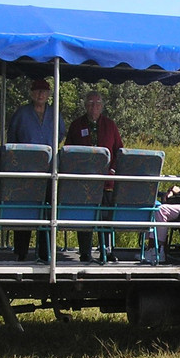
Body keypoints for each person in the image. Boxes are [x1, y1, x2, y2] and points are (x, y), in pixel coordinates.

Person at [8, 79, 64, 261]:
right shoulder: (22, 113)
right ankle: (21, 252)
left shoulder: (55, 114)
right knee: (24, 211)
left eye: (44, 91)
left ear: (49, 95)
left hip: (49, 169)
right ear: (31, 93)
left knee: (48, 211)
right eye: (37, 90)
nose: (41, 94)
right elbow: (12, 137)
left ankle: (45, 252)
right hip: (25, 170)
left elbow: (60, 134)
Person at [65, 90, 123, 262]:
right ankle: (85, 252)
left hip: (107, 182)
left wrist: (113, 169)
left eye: (97, 103)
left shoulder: (110, 125)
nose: (94, 106)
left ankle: (107, 250)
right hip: (84, 182)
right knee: (85, 217)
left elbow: (119, 150)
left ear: (102, 106)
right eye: (90, 103)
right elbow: (68, 151)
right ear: (85, 105)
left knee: (106, 216)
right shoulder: (76, 125)